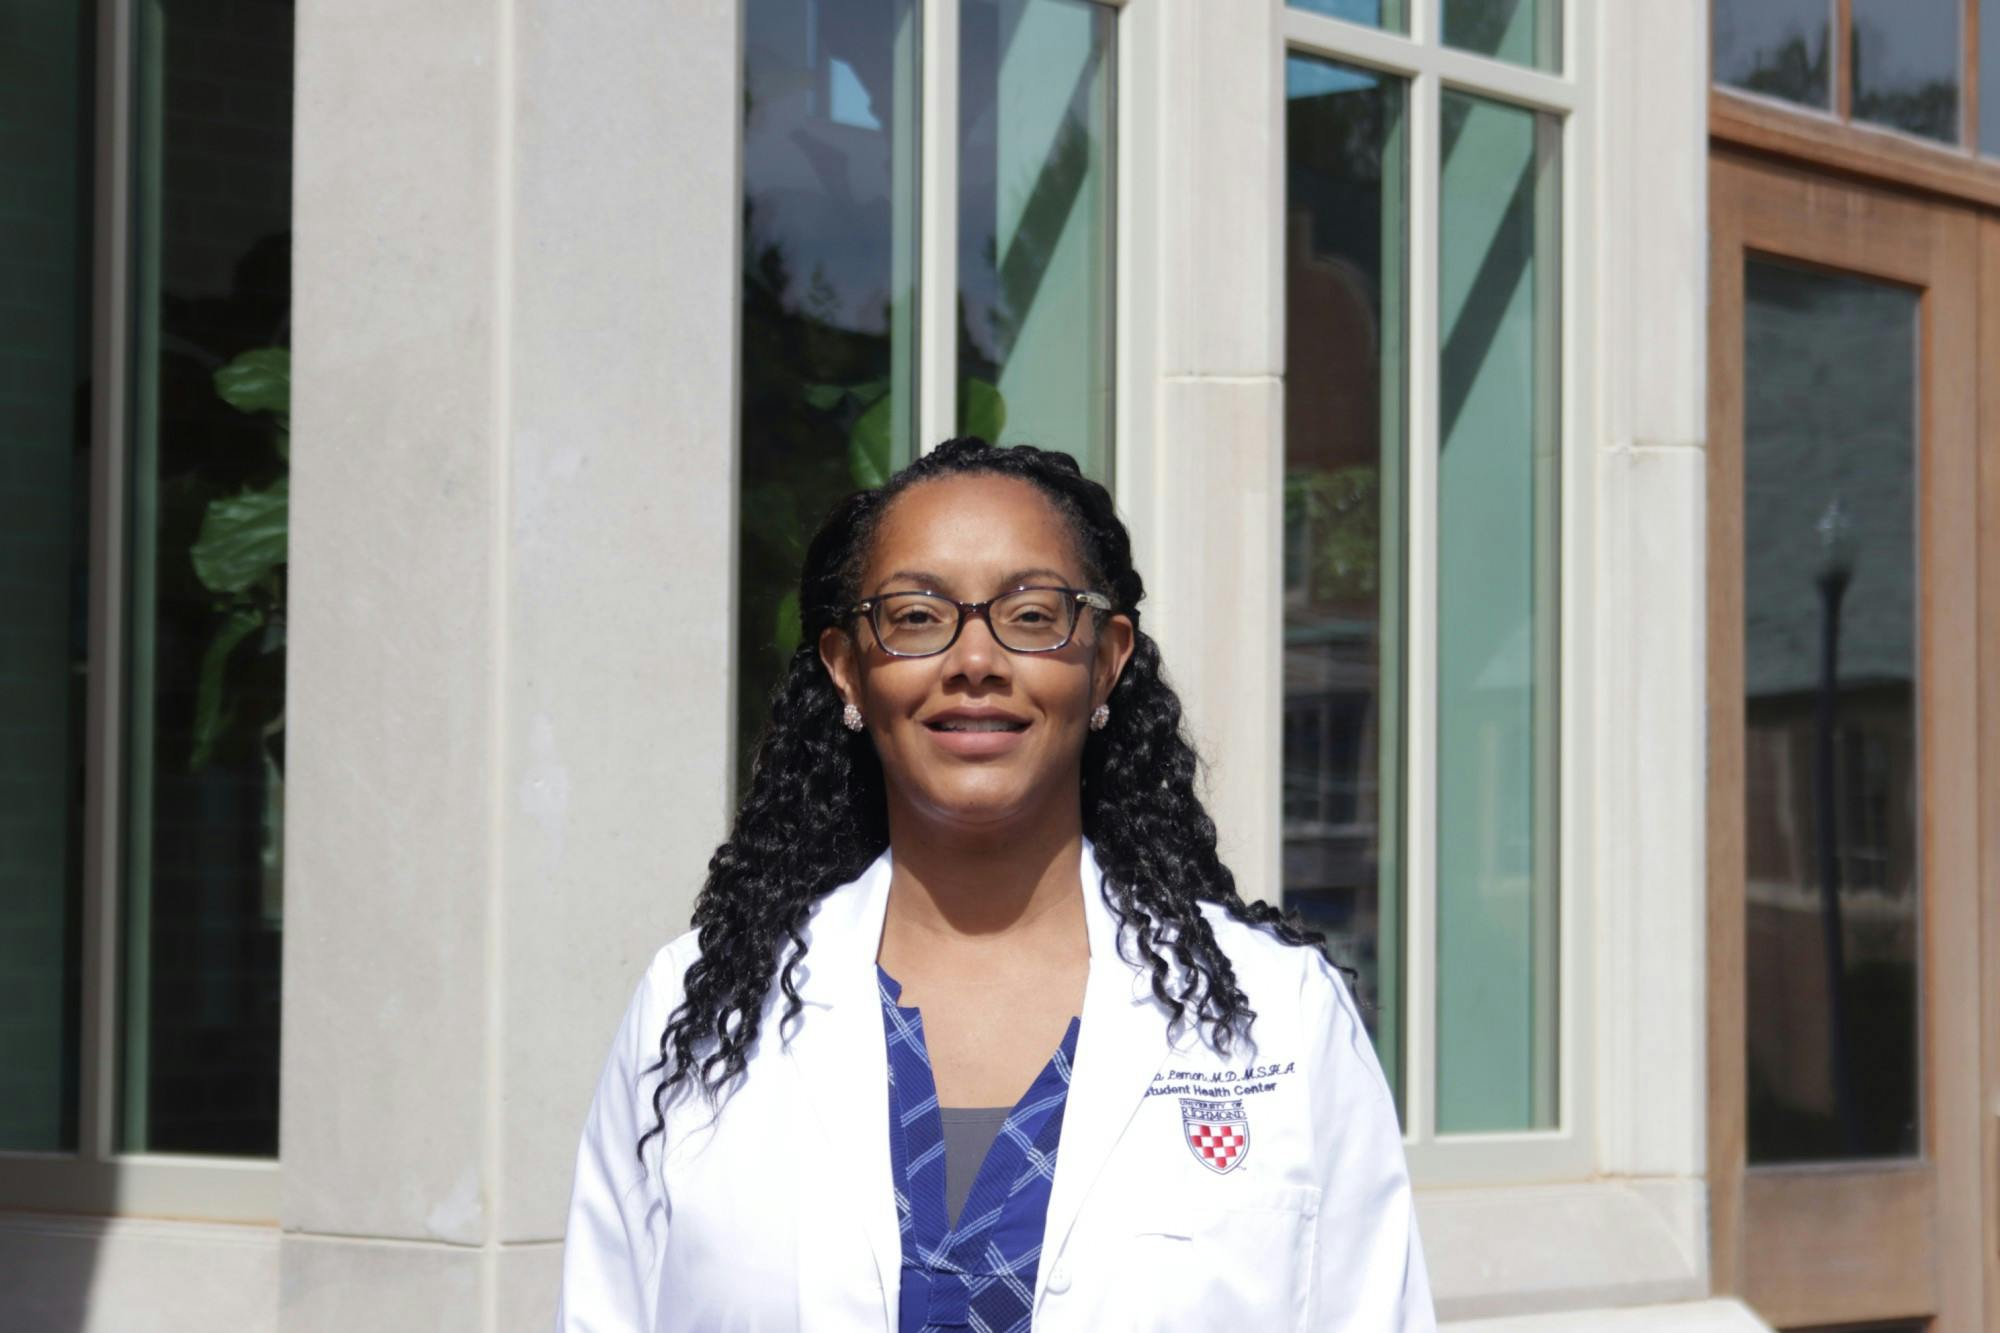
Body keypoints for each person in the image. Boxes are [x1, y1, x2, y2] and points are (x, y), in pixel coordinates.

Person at [557, 438, 1433, 1331]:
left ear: (1106, 657)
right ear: (846, 666)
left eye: (1031, 612)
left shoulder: (1277, 1014)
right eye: (916, 615)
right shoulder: (697, 1011)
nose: (975, 658)